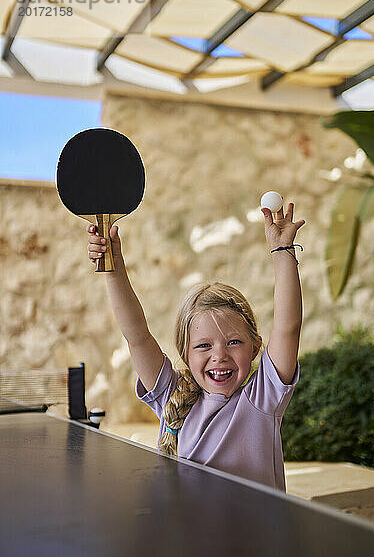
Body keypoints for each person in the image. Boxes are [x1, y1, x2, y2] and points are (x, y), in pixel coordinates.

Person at [87, 202, 305, 491]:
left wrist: (282, 253)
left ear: (255, 348)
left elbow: (288, 328)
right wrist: (114, 269)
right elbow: (137, 335)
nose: (220, 356)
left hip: (257, 538)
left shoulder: (263, 399)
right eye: (203, 346)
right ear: (185, 354)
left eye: (234, 342)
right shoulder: (170, 394)